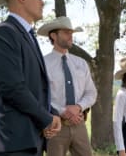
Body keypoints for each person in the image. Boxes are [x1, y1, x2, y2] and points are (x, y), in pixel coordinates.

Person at [0, 0, 61, 156]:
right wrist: (46, 119)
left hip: (31, 139)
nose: (42, 2)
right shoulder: (4, 33)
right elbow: (12, 88)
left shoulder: (26, 35)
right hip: (14, 142)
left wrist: (52, 113)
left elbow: (34, 87)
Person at [37, 16, 97, 156]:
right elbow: (40, 94)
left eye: (71, 33)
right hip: (55, 126)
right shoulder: (43, 64)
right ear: (53, 35)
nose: (70, 36)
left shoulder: (81, 63)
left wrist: (78, 107)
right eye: (66, 32)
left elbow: (91, 93)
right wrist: (61, 111)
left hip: (79, 124)